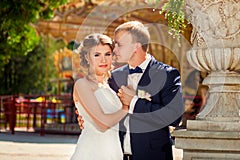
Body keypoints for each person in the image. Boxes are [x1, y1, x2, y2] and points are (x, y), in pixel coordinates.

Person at [78, 21, 184, 160]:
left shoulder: (167, 74)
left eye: (119, 45)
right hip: (116, 154)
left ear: (136, 46)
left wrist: (134, 102)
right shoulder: (114, 76)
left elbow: (174, 117)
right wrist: (86, 116)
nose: (114, 50)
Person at [71, 33, 129, 160]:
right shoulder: (82, 85)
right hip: (91, 152)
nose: (103, 60)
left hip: (113, 151)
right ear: (87, 57)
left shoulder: (108, 86)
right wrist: (126, 107)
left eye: (107, 54)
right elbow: (102, 124)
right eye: (97, 55)